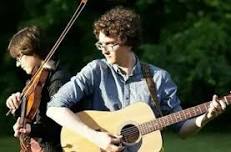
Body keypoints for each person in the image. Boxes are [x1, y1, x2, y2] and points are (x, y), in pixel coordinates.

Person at [46, 7, 228, 152]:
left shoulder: (159, 78)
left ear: (128, 42)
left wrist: (206, 117)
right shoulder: (96, 70)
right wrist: (96, 137)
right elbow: (54, 108)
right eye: (100, 44)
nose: (103, 49)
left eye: (110, 44)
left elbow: (182, 130)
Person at [6, 25, 70, 152]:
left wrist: (31, 129)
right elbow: (31, 115)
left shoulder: (57, 81)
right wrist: (17, 106)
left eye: (19, 57)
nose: (18, 64)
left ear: (32, 51)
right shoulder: (37, 80)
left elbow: (58, 127)